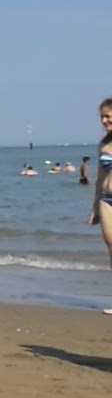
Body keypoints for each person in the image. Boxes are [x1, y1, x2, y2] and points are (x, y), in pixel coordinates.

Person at [90, 98, 112, 313]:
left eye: (108, 116)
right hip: (107, 200)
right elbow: (100, 176)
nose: (105, 120)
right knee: (111, 248)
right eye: (102, 117)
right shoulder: (103, 144)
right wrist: (95, 206)